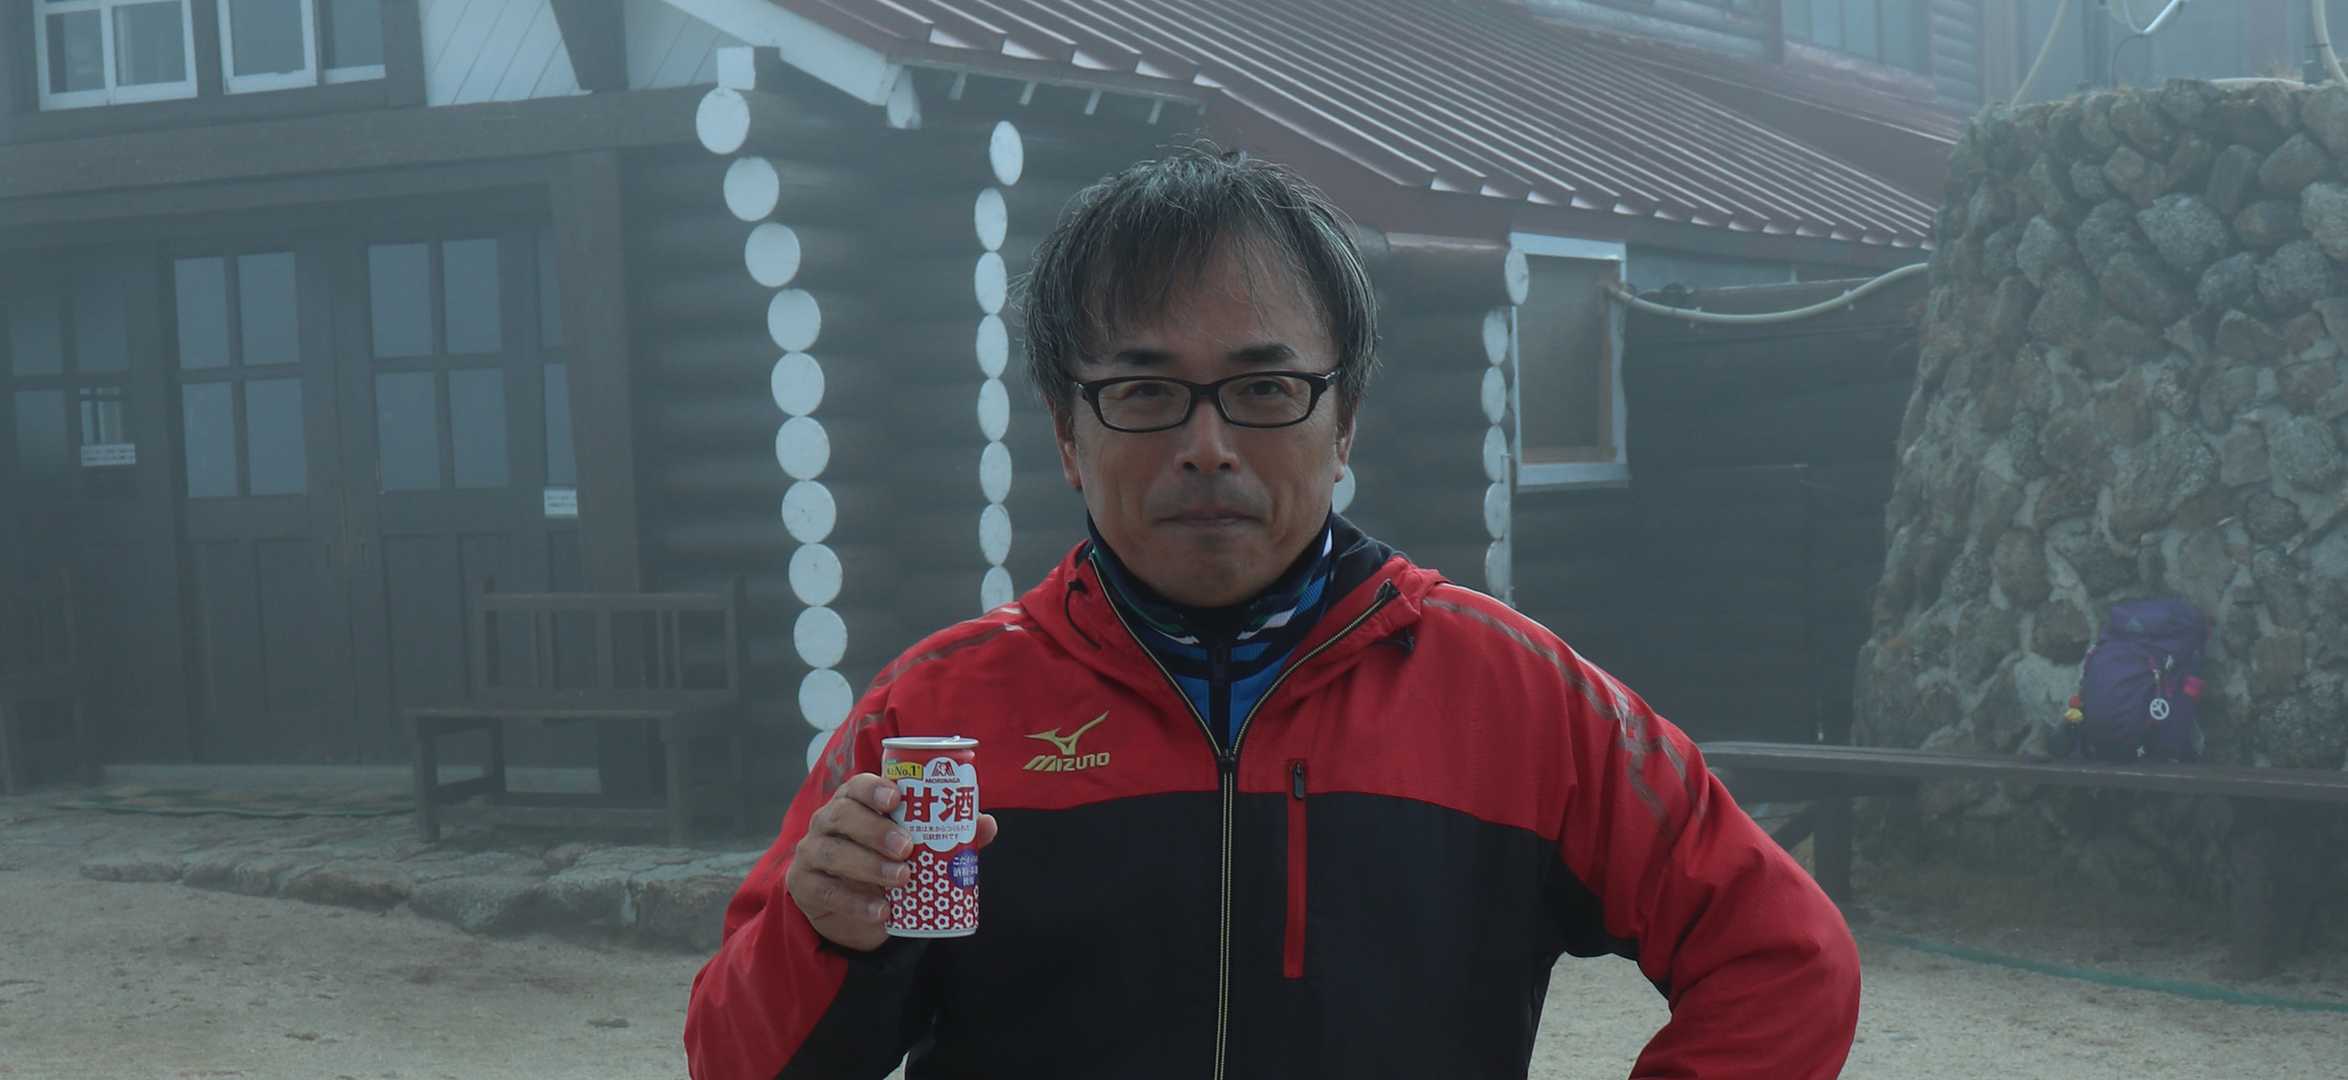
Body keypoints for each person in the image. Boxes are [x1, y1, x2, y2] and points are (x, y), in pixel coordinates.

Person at [685, 146, 1860, 1080]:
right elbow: (732, 1062)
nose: (1206, 446)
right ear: (1065, 432)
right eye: (1143, 389)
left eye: (1262, 387)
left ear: (1342, 421)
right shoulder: (935, 716)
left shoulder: (1518, 698)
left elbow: (1782, 957)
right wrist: (819, 934)